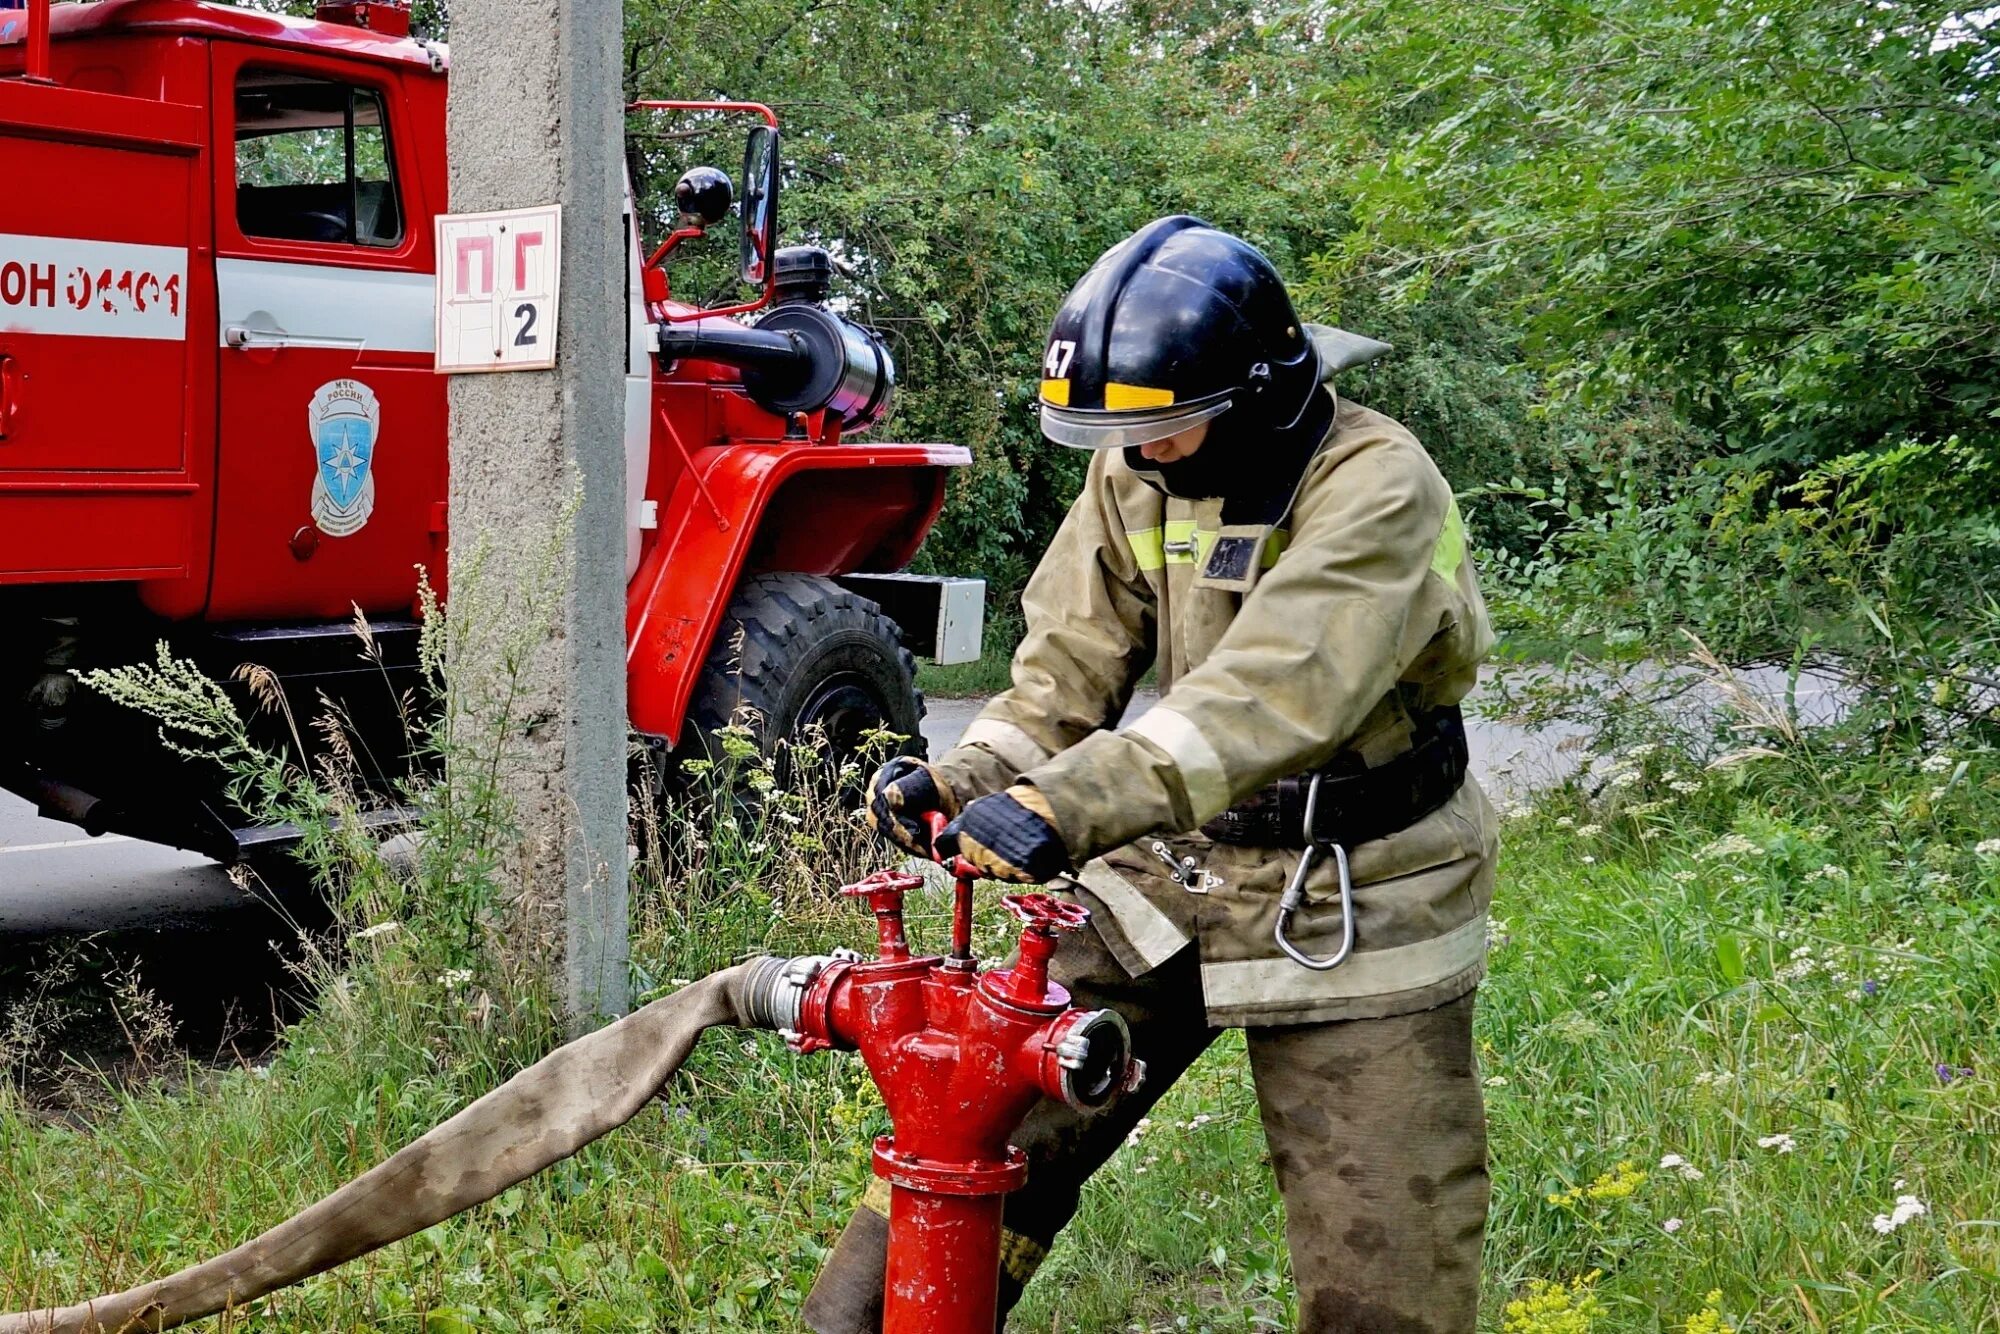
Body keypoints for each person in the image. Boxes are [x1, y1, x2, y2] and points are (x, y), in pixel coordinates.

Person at [807, 215, 1498, 1333]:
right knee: (974, 1133)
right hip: (1175, 860)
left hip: (1356, 883)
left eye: (1168, 432)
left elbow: (1265, 697)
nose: (1139, 457)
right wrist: (976, 772)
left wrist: (1063, 807)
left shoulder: (1377, 485)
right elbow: (1066, 665)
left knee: (1384, 1264)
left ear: (1262, 394)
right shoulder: (1137, 470)